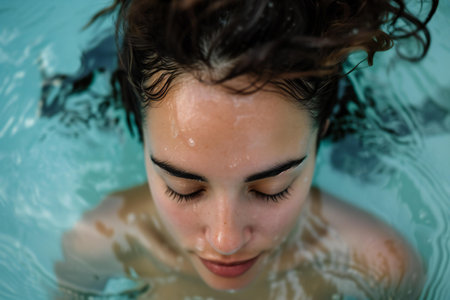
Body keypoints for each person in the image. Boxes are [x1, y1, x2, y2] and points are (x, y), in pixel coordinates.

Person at [54, 0, 438, 298]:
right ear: (141, 134)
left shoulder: (382, 266)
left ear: (320, 134)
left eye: (272, 187)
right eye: (182, 188)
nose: (226, 240)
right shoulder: (93, 246)